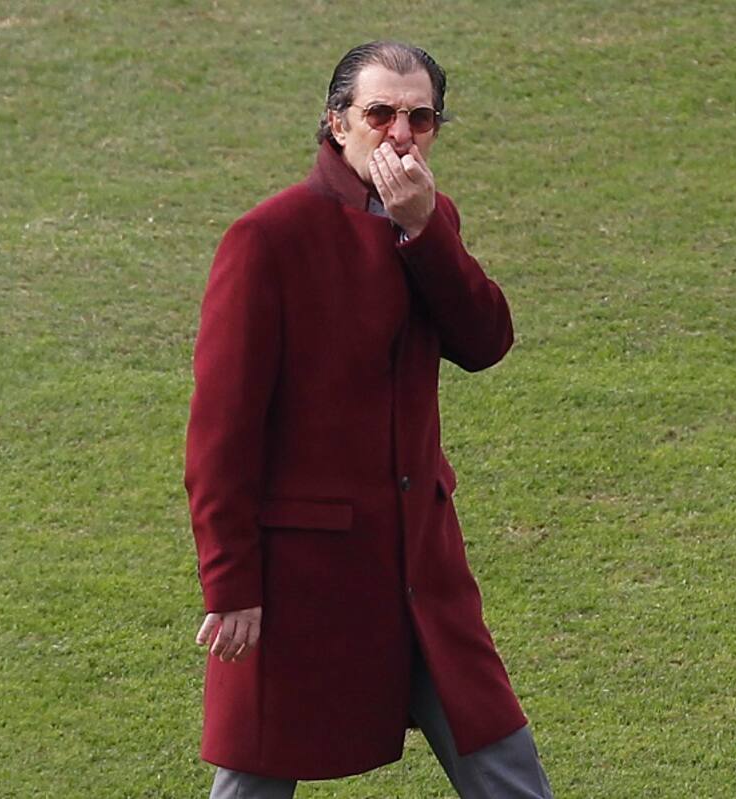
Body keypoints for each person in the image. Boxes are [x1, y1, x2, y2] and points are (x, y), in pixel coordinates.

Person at [184, 41, 554, 799]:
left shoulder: (430, 217)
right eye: (379, 113)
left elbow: (485, 342)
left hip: (423, 568)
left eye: (421, 118)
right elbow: (220, 436)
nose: (400, 134)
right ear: (335, 123)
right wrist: (230, 583)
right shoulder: (267, 239)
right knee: (253, 780)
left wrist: (428, 234)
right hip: (305, 579)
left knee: (506, 767)